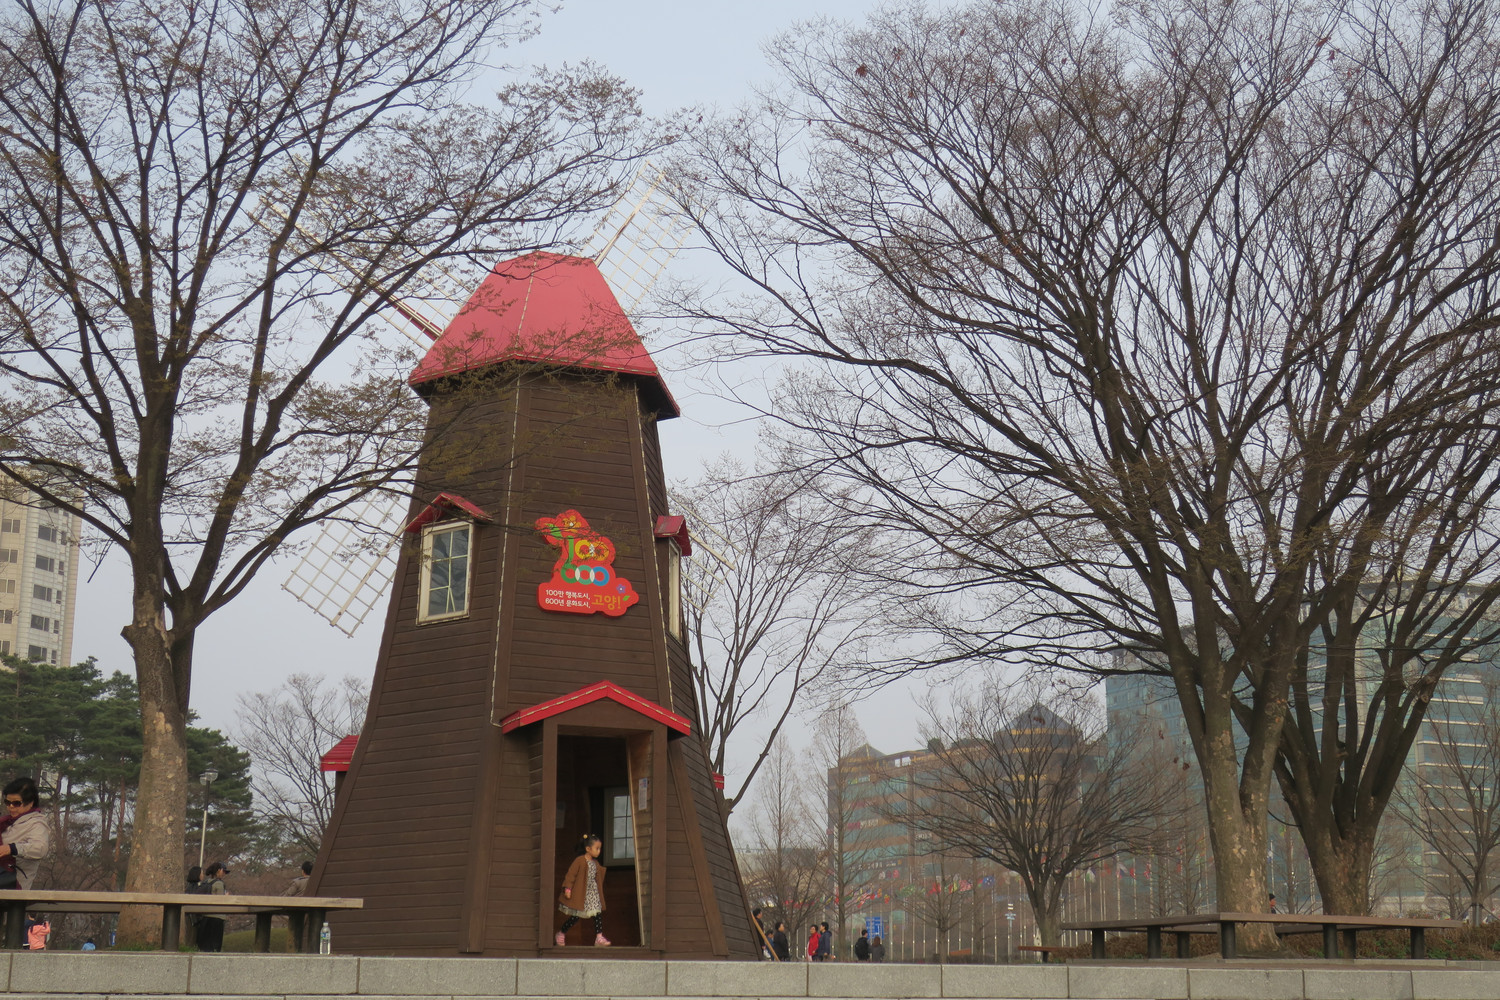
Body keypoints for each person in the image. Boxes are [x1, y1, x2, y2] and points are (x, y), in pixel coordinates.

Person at [555, 834, 609, 946]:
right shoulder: (579, 860)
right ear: (588, 849)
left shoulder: (595, 863)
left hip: (593, 894)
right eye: (597, 848)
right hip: (581, 894)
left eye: (600, 848)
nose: (599, 851)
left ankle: (599, 937)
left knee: (597, 914)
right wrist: (568, 888)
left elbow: (598, 877)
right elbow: (571, 875)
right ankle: (561, 933)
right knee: (575, 917)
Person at [0, 777, 52, 889]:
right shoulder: (5, 823)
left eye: (16, 803)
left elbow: (40, 848)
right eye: (7, 802)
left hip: (13, 887)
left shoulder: (36, 824)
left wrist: (11, 848)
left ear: (30, 803)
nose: (11, 807)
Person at [195, 861, 230, 952]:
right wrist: (226, 897)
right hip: (217, 917)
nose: (224, 873)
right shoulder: (219, 884)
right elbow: (220, 901)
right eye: (223, 871)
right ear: (218, 870)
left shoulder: (206, 882)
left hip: (205, 917)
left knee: (205, 946)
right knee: (215, 946)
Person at [284, 861, 314, 952]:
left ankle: (292, 949)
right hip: (312, 909)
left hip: (296, 909)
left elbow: (287, 896)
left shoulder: (298, 882)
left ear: (303, 871)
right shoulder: (315, 882)